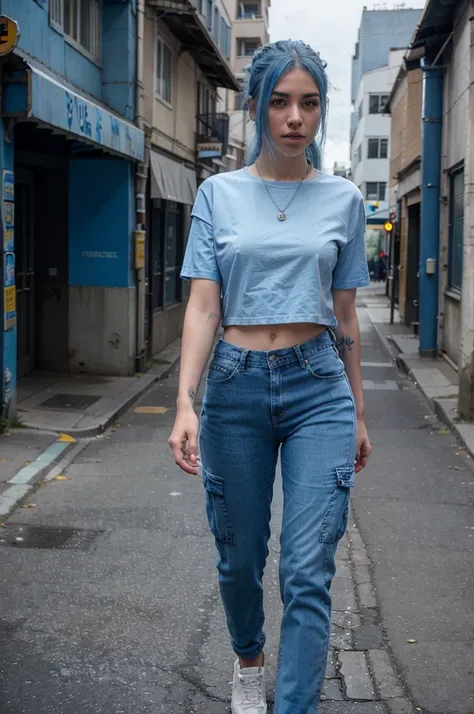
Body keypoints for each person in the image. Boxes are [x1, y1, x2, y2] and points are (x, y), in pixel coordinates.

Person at [168, 39, 372, 714]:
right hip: (235, 385)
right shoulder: (218, 193)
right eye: (280, 102)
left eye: (309, 104)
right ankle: (248, 655)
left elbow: (345, 314)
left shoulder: (343, 199)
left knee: (309, 568)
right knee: (238, 559)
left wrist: (361, 414)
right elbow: (203, 305)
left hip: (320, 389)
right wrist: (184, 403)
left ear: (320, 112)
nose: (295, 118)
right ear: (257, 107)